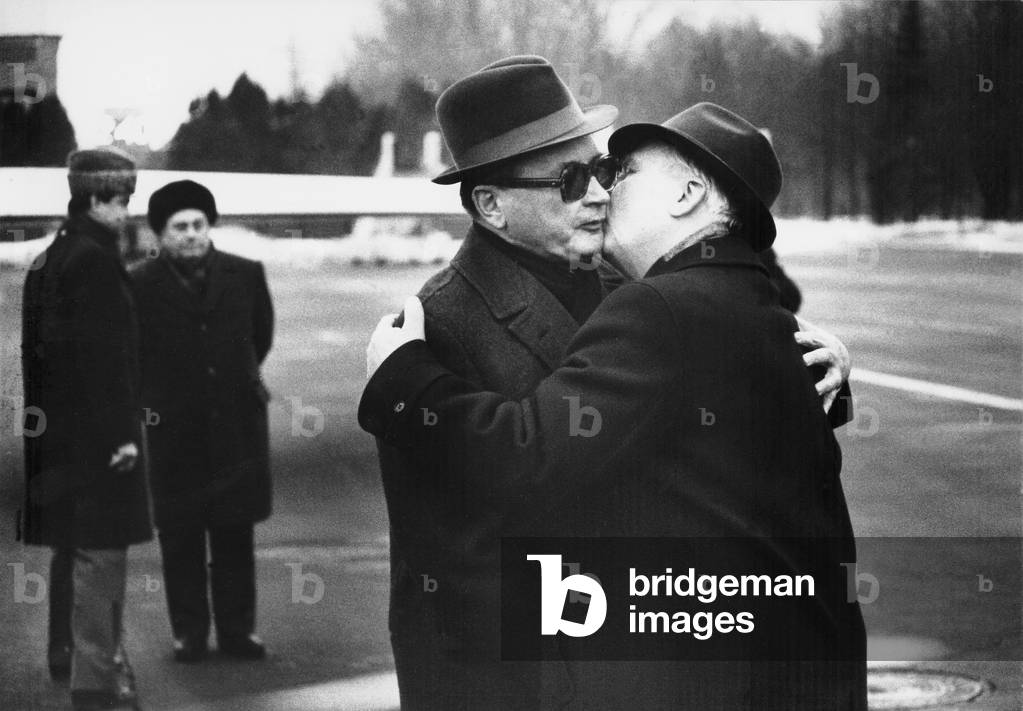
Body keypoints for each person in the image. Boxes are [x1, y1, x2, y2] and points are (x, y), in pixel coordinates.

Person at [365, 56, 852, 711]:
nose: (598, 192)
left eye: (601, 170)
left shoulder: (635, 285)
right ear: (491, 204)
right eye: (569, 179)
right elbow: (446, 571)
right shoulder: (437, 325)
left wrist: (813, 371)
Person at [21, 146, 151, 711]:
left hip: (56, 436)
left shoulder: (51, 257)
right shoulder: (96, 261)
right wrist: (120, 434)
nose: (125, 211)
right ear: (97, 198)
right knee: (102, 556)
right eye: (120, 200)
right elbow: (105, 359)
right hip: (98, 436)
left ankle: (64, 652)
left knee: (71, 548)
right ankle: (96, 681)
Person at [131, 180, 274, 663]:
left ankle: (238, 631)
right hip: (174, 429)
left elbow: (260, 337)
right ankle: (189, 633)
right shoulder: (139, 284)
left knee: (235, 534)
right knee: (181, 535)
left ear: (209, 226)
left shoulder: (246, 274)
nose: (192, 234)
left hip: (236, 426)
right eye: (180, 227)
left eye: (198, 224)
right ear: (160, 234)